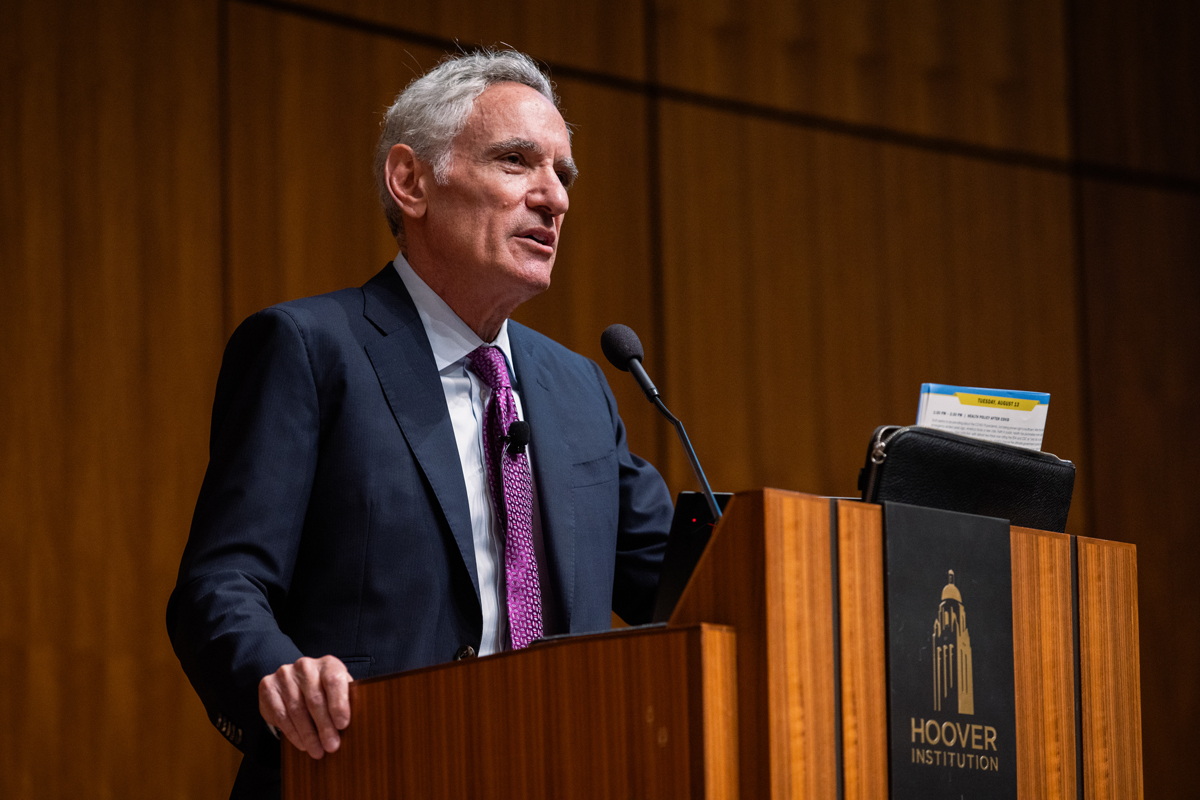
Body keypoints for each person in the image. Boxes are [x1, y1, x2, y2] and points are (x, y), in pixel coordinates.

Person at [166, 49, 674, 799]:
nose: (554, 199)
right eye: (517, 162)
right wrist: (280, 674)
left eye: (563, 176)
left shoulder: (579, 389)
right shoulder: (310, 350)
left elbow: (685, 577)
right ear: (411, 182)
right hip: (364, 770)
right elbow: (222, 582)